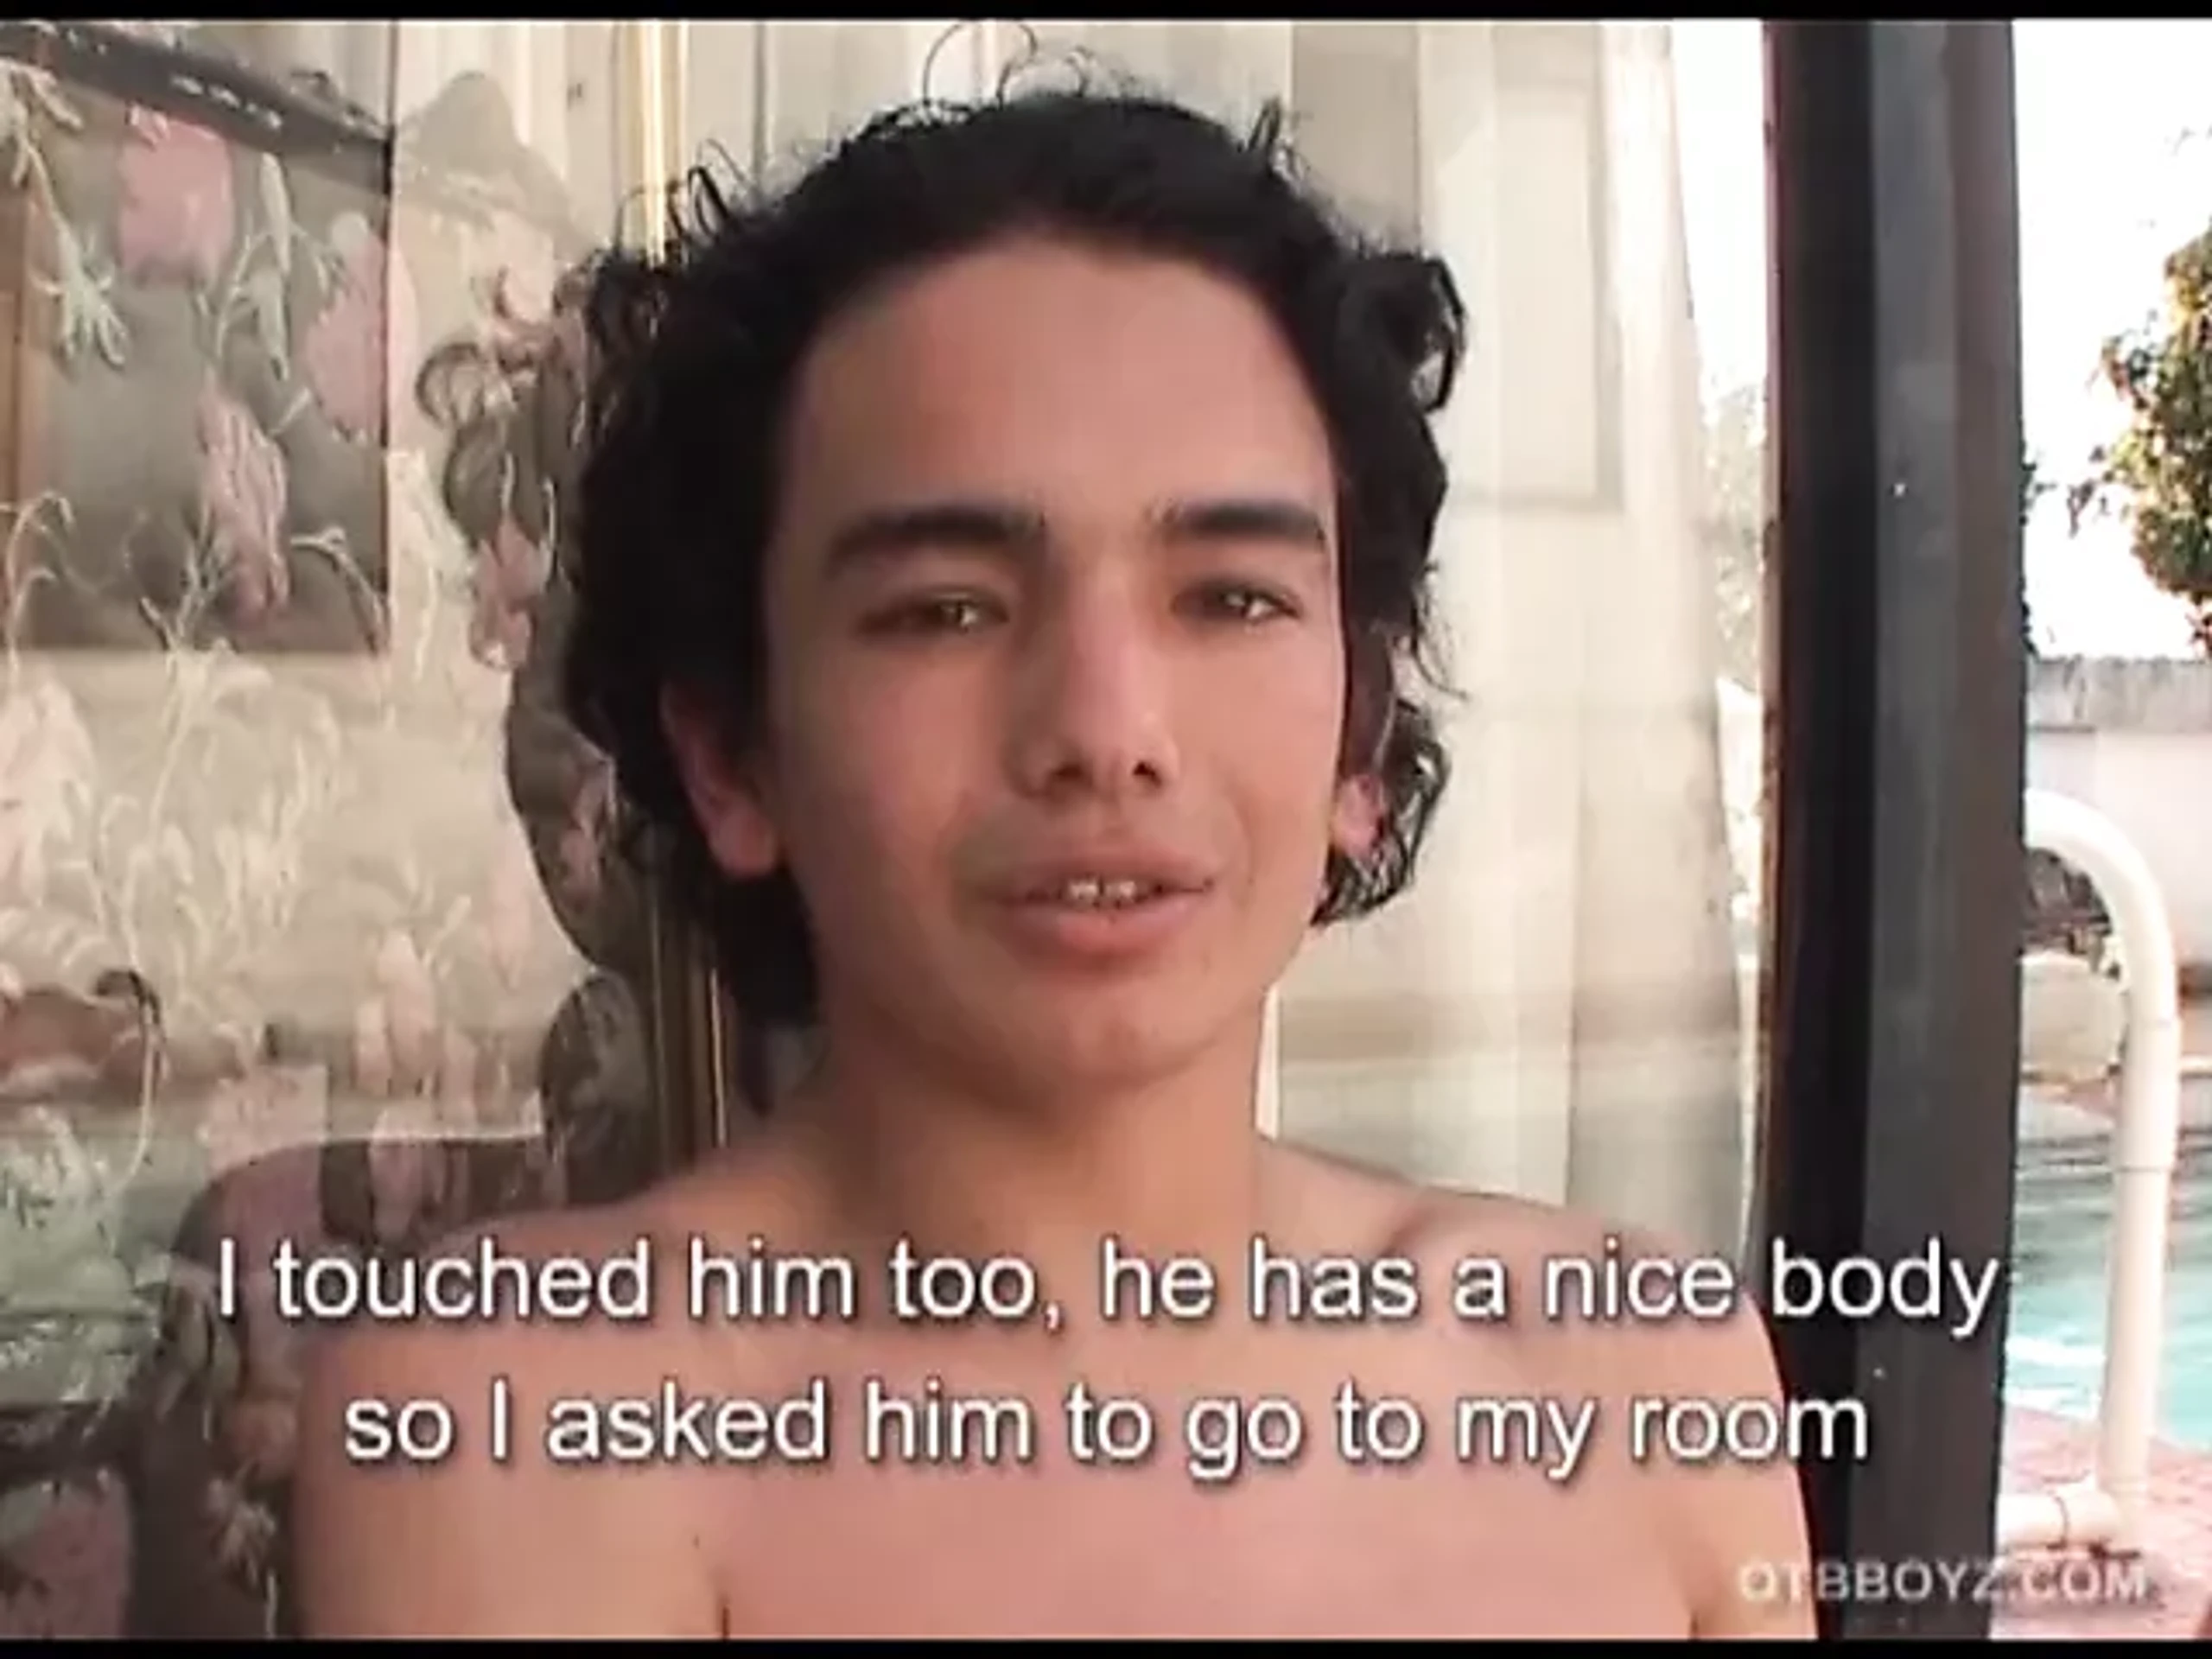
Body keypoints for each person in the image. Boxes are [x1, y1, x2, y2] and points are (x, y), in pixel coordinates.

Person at [293, 82, 1814, 1637]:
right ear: (735, 755)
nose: (1106, 730)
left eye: (1231, 599)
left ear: (1361, 745)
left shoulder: (1640, 1378)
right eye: (946, 609)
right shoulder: (516, 1434)